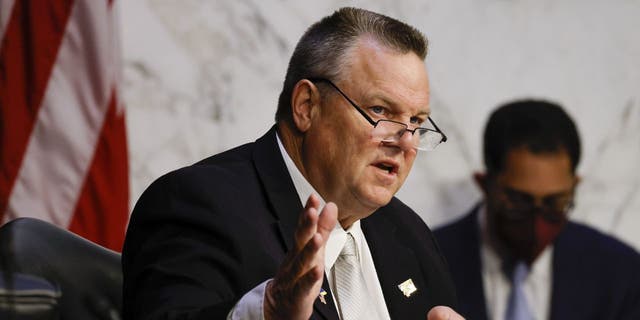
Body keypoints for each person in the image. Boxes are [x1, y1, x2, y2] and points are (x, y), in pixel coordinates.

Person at [123, 7, 464, 320]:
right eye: (380, 111)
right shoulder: (197, 204)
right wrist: (266, 313)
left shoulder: (410, 235)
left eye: (417, 122)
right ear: (306, 106)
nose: (406, 141)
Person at [434, 100, 640, 320]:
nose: (537, 222)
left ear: (574, 187)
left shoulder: (620, 272)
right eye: (519, 201)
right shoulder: (429, 262)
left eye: (554, 202)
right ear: (485, 184)